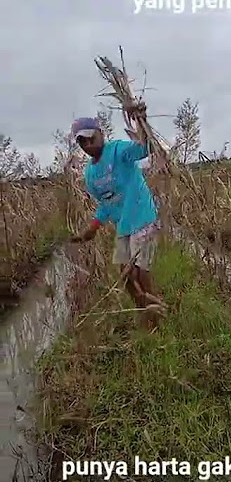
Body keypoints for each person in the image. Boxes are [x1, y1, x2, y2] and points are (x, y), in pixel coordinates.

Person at [69, 113, 166, 325]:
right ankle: (144, 310)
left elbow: (145, 148)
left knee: (140, 272)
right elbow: (105, 206)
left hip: (144, 218)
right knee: (124, 274)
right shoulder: (90, 176)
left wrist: (141, 121)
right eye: (81, 141)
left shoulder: (118, 151)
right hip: (124, 226)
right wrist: (92, 228)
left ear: (100, 134)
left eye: (90, 138)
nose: (87, 144)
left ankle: (156, 321)